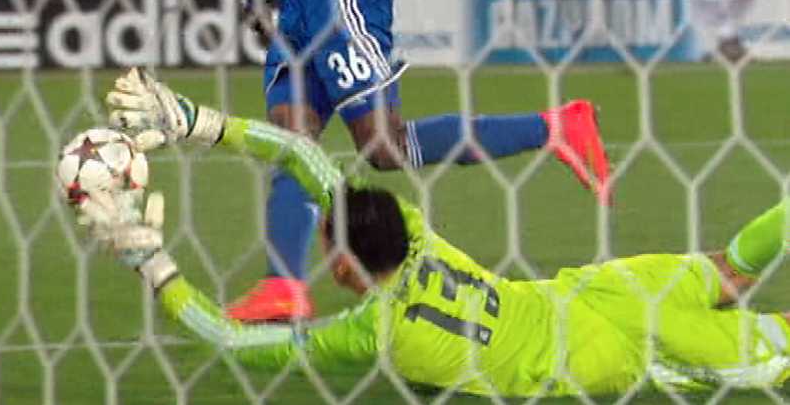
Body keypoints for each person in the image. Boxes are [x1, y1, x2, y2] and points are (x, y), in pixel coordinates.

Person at [86, 69, 790, 397]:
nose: (326, 254)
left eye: (329, 246)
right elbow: (301, 154)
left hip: (612, 355)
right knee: (728, 269)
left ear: (351, 267)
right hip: (598, 290)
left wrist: (152, 263)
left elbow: (231, 339)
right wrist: (199, 123)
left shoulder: (374, 333)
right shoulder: (418, 232)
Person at [202, 0, 612, 322]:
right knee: (292, 140)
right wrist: (256, 1)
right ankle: (284, 285)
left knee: (383, 145)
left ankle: (556, 128)